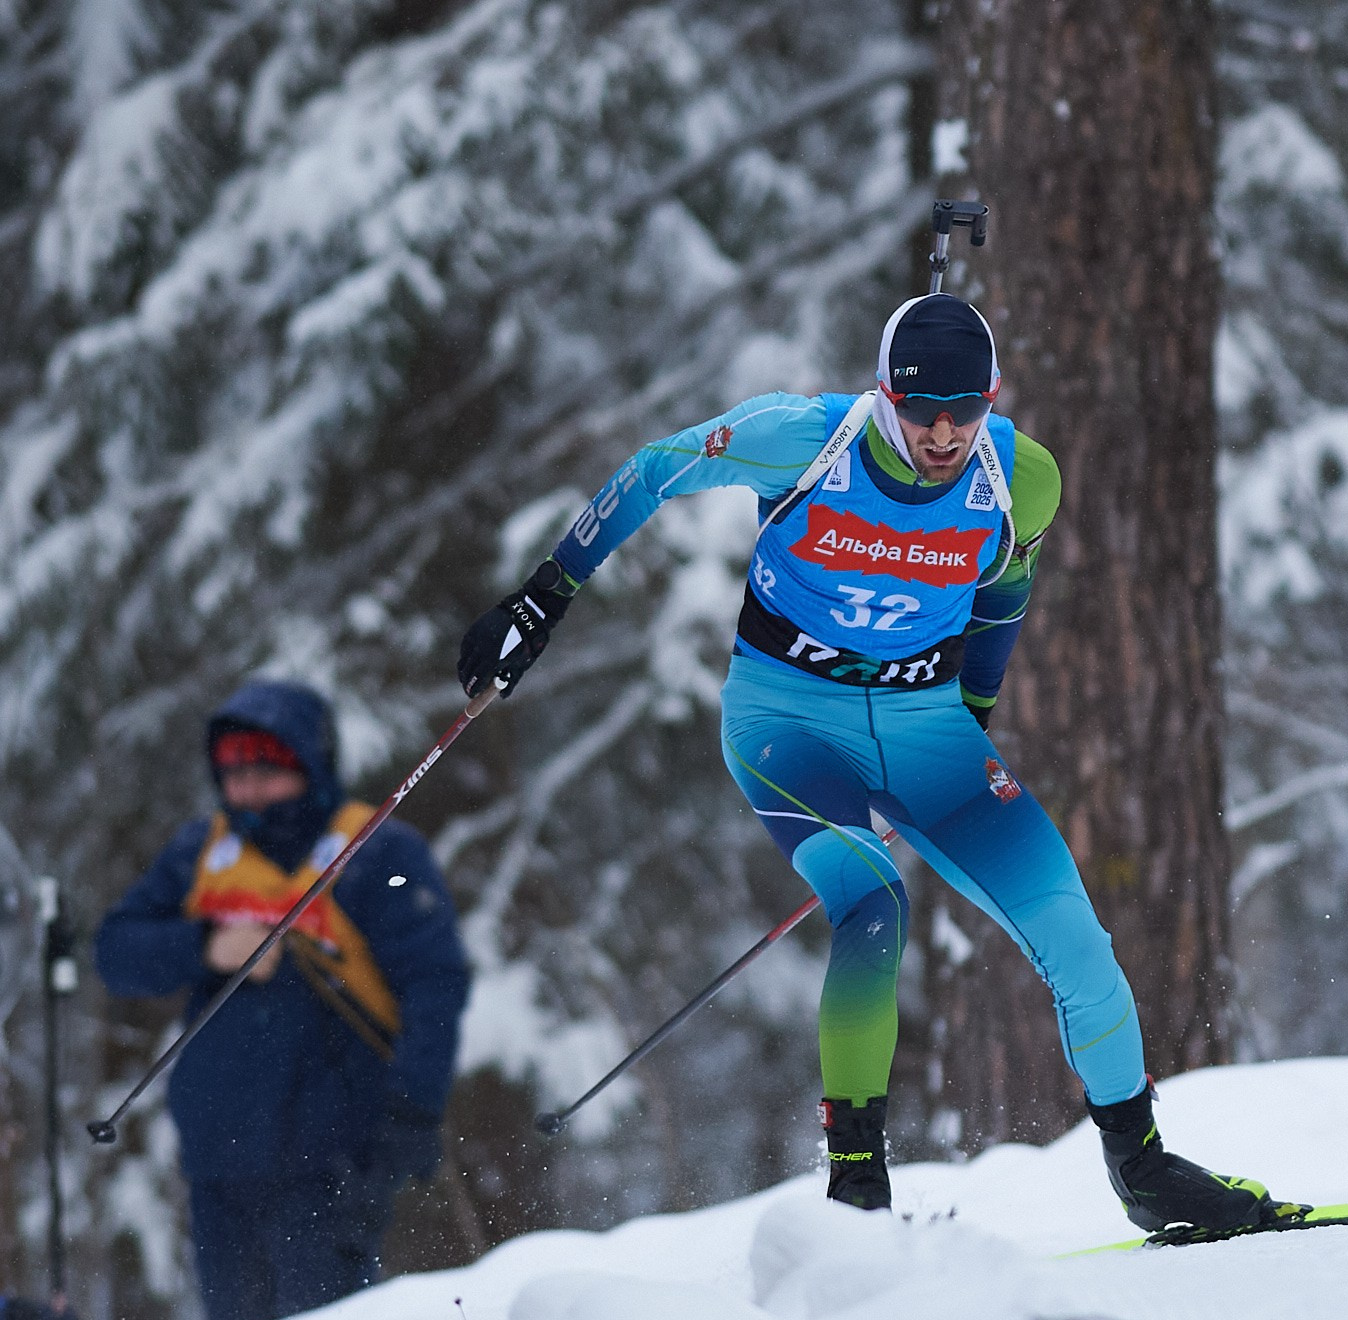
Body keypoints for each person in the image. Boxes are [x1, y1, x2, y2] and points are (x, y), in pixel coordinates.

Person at [454, 292, 1292, 1234]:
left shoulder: (1024, 478)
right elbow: (653, 472)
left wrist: (971, 715)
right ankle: (857, 1190)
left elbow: (1006, 589)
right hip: (785, 719)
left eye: (963, 411)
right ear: (884, 392)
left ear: (991, 398)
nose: (942, 433)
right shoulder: (803, 439)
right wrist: (541, 600)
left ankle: (1142, 1168)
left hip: (926, 725)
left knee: (1074, 936)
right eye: (920, 408)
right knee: (872, 901)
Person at [96, 681, 471, 1320]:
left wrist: (411, 1113)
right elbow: (115, 952)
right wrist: (207, 944)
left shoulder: (376, 850)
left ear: (309, 763)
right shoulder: (200, 853)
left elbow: (435, 984)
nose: (247, 790)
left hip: (335, 1161)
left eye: (267, 770)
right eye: (234, 772)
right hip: (218, 1163)